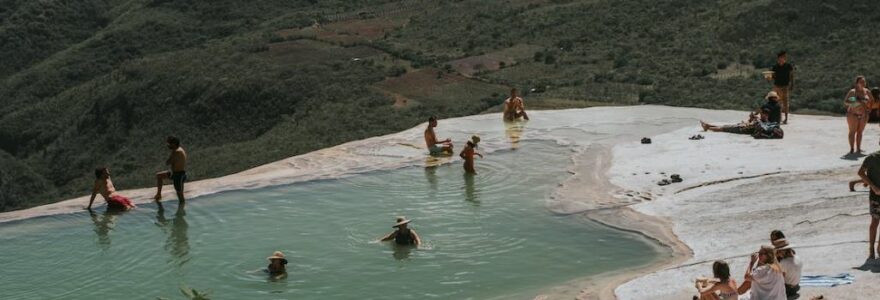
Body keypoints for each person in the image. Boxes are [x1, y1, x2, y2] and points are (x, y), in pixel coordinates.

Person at [701, 108, 782, 139]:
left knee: (723, 129)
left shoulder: (763, 122)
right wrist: (751, 118)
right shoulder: (766, 122)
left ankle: (707, 128)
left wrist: (754, 119)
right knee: (725, 127)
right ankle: (708, 126)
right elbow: (750, 122)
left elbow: (753, 124)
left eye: (762, 114)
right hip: (744, 127)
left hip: (743, 129)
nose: (761, 115)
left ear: (765, 114)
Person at [858, 149, 880, 259]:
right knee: (875, 222)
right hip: (876, 197)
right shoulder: (872, 158)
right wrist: (872, 185)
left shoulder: (871, 158)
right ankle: (871, 248)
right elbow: (860, 173)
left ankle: (878, 247)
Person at [154, 136, 188, 205]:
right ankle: (158, 195)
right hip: (174, 173)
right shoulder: (177, 150)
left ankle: (182, 212)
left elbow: (168, 162)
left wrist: (171, 155)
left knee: (180, 196)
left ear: (174, 143)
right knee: (159, 176)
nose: (168, 145)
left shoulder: (177, 151)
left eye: (170, 144)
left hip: (179, 175)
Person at [845, 76, 873, 154]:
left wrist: (869, 109)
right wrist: (856, 100)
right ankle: (851, 148)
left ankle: (859, 148)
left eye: (864, 81)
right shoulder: (852, 92)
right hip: (853, 114)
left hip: (864, 115)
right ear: (857, 83)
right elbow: (846, 101)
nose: (863, 83)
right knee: (852, 132)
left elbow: (872, 100)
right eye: (861, 82)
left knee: (860, 132)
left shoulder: (867, 91)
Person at [768, 51, 794, 124]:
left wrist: (792, 84)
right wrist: (769, 78)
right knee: (777, 103)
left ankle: (786, 118)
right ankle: (779, 118)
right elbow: (773, 77)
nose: (783, 58)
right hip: (777, 86)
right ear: (779, 58)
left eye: (784, 57)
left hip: (785, 86)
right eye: (782, 57)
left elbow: (791, 75)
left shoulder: (788, 66)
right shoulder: (775, 67)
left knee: (785, 103)